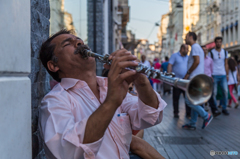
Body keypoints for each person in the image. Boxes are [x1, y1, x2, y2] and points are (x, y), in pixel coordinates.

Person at [38, 30, 167, 159]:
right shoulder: (54, 101)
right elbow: (68, 152)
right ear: (54, 65)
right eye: (67, 44)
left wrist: (141, 81)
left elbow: (151, 116)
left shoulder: (109, 87)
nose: (79, 42)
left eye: (79, 40)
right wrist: (111, 102)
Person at [182, 32, 213, 130]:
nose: (185, 39)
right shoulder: (198, 47)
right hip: (197, 78)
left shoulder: (195, 47)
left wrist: (188, 73)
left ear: (191, 37)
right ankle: (193, 123)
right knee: (194, 101)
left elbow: (197, 61)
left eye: (186, 37)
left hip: (194, 78)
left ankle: (205, 116)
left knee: (189, 100)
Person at [167, 44, 191, 118]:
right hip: (177, 81)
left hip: (186, 81)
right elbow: (170, 65)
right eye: (187, 49)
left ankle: (188, 113)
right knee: (176, 98)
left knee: (187, 98)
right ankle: (176, 113)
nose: (188, 51)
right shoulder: (174, 56)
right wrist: (169, 77)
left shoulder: (188, 57)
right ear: (182, 49)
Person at [208, 37, 230, 115]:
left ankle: (224, 108)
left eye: (220, 42)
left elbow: (226, 64)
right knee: (214, 93)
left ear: (221, 42)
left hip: (223, 75)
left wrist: (227, 75)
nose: (218, 43)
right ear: (215, 43)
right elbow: (209, 64)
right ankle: (215, 109)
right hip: (214, 75)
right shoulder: (211, 53)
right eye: (217, 42)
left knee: (225, 91)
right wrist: (210, 74)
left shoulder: (225, 52)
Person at [201, 45, 221, 117]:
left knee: (210, 94)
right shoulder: (198, 59)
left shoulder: (210, 59)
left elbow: (211, 69)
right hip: (200, 78)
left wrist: (211, 76)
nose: (204, 51)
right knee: (201, 95)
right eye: (203, 49)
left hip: (208, 78)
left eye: (205, 49)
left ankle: (214, 110)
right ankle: (201, 111)